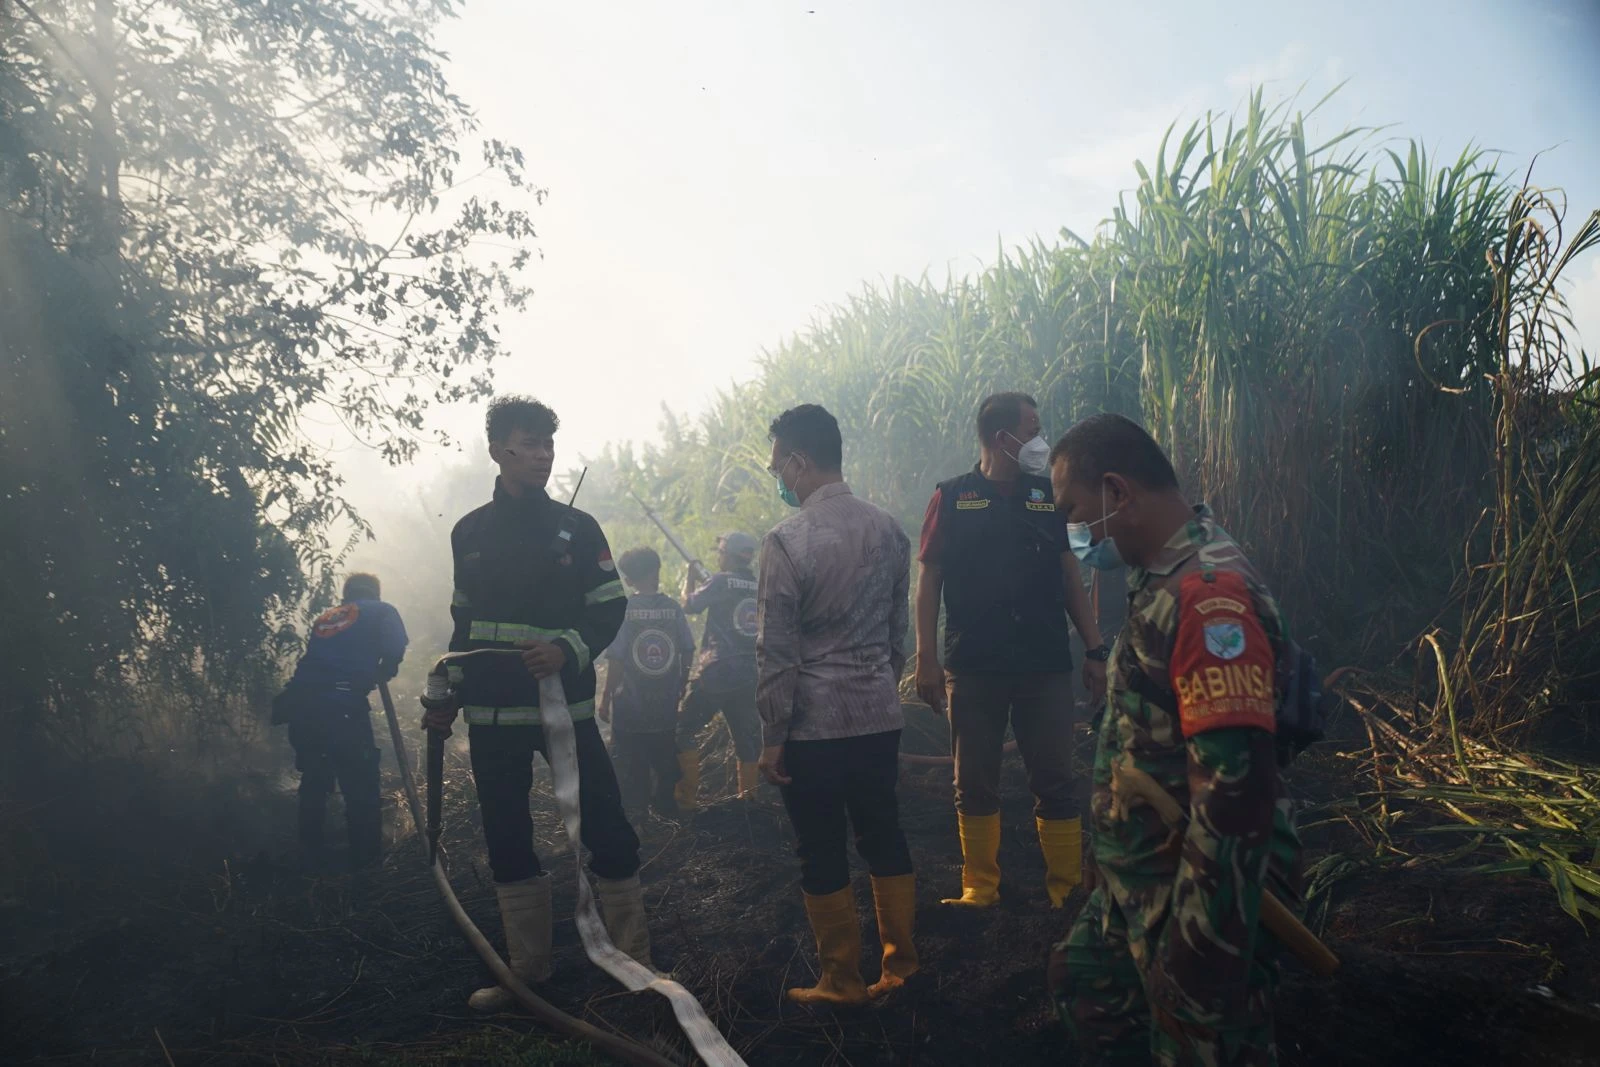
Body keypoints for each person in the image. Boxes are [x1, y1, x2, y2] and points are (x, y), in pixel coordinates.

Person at [1046, 413, 1303, 1065]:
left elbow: (1236, 802)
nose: (1070, 531)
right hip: (1141, 871)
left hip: (1203, 894)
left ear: (1118, 492)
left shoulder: (1209, 596)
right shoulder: (1156, 574)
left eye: (1074, 512)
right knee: (1085, 986)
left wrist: (1197, 957)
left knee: (1199, 1042)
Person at [421, 395, 649, 1012]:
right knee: (506, 836)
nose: (543, 456)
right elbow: (465, 629)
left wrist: (567, 649)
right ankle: (530, 971)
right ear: (498, 449)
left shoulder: (578, 529)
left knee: (607, 825)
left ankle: (634, 962)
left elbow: (609, 607)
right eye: (529, 444)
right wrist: (448, 695)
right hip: (492, 718)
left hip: (566, 713)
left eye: (549, 445)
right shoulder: (467, 532)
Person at [914, 391, 1108, 910]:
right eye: (1033, 428)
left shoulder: (1049, 496)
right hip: (973, 664)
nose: (1041, 439)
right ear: (1003, 438)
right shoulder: (952, 496)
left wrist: (1095, 650)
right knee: (973, 780)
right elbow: (929, 580)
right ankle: (980, 888)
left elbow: (1071, 576)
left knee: (1057, 779)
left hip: (1044, 662)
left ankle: (1064, 889)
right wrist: (926, 658)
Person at [756, 403, 919, 1006]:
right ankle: (902, 968)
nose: (777, 475)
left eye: (778, 464)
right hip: (878, 717)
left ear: (798, 462)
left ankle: (843, 981)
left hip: (812, 728)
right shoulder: (889, 529)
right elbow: (895, 632)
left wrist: (773, 734)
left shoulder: (787, 539)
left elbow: (777, 651)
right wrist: (879, 687)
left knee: (820, 846)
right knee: (884, 833)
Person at [273, 572, 407, 871]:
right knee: (360, 782)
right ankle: (366, 862)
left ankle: (310, 855)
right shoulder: (382, 610)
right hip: (343, 710)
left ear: (346, 594)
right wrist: (387, 669)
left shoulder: (327, 617)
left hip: (304, 709)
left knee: (315, 780)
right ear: (375, 592)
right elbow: (395, 646)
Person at [599, 547, 695, 820]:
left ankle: (635, 815)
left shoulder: (626, 610)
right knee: (664, 757)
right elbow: (688, 650)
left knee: (630, 761)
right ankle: (666, 810)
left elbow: (616, 660)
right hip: (664, 703)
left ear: (628, 580)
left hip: (629, 704)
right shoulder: (673, 609)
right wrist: (682, 682)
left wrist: (605, 699)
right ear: (657, 571)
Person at [675, 530, 763, 806]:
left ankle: (686, 802)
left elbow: (689, 605)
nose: (718, 557)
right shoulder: (760, 586)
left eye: (720, 553)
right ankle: (749, 802)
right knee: (747, 740)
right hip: (751, 674)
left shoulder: (720, 581)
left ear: (728, 555)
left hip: (719, 673)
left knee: (683, 729)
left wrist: (690, 577)